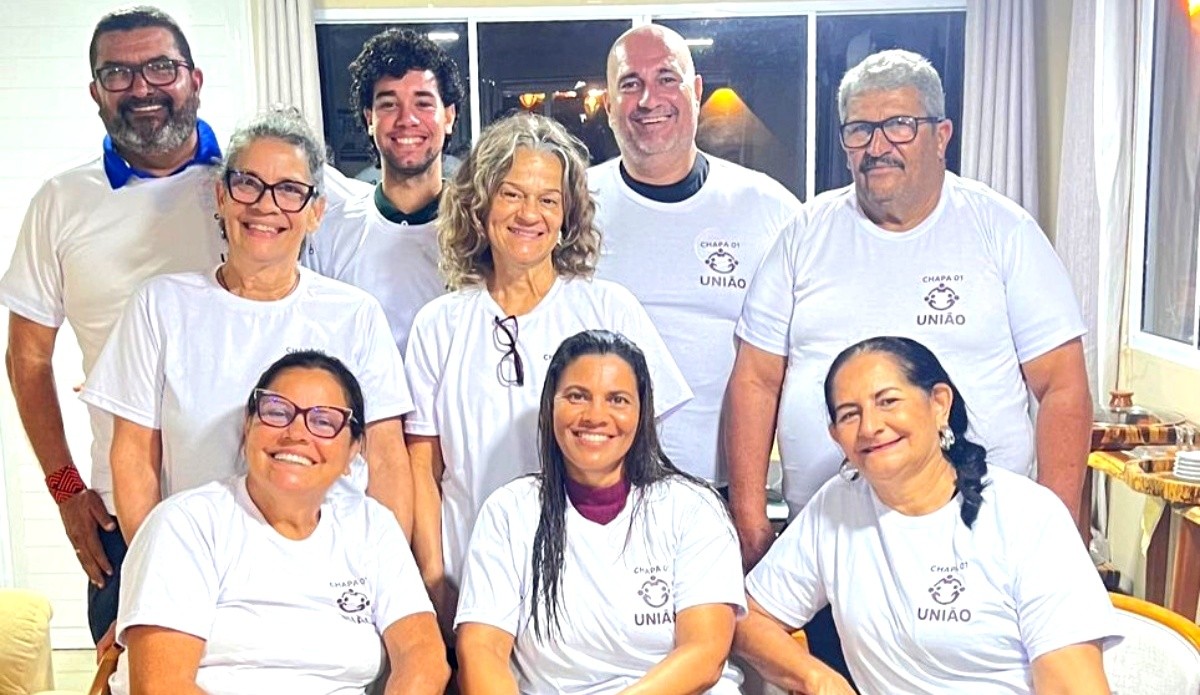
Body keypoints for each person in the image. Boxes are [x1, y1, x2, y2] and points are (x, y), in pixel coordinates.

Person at [728, 48, 1091, 564]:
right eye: (859, 130)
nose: (877, 146)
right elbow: (755, 381)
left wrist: (1052, 527)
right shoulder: (804, 235)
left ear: (942, 136)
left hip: (982, 537)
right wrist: (749, 517)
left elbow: (1063, 385)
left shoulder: (1002, 231)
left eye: (899, 125)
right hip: (827, 545)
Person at [405, 113, 692, 638]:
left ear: (567, 216)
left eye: (547, 199)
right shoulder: (439, 324)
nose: (528, 214)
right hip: (470, 586)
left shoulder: (609, 309)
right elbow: (423, 467)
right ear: (480, 204)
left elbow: (646, 455)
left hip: (589, 592)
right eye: (512, 194)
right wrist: (434, 581)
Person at [80, 107, 415, 549]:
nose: (265, 204)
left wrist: (389, 582)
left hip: (332, 568)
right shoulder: (160, 306)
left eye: (290, 190)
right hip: (201, 561)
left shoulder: (354, 315)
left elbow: (388, 461)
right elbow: (135, 457)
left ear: (316, 212)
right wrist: (155, 575)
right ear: (221, 196)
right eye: (247, 183)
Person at [0, 6, 225, 644]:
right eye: (118, 74)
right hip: (124, 508)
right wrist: (66, 488)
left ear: (194, 78)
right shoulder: (60, 202)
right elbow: (27, 361)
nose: (142, 88)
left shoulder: (250, 188)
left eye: (160, 67)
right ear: (95, 91)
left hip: (260, 499)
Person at [735, 336, 1118, 695]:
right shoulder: (838, 506)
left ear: (939, 404)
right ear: (836, 436)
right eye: (850, 414)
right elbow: (748, 617)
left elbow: (1074, 685)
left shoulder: (1028, 514)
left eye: (888, 402)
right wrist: (817, 677)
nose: (870, 427)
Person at [110, 351, 449, 695]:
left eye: (323, 421)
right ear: (248, 427)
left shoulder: (371, 526)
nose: (297, 433)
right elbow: (161, 686)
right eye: (277, 413)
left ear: (352, 452)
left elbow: (423, 657)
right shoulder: (187, 524)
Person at [457, 330, 744, 694]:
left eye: (618, 400)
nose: (595, 415)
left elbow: (705, 653)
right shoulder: (509, 511)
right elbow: (482, 649)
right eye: (577, 396)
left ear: (642, 413)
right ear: (550, 406)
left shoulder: (693, 508)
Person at [590, 24, 801, 490]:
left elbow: (798, 359)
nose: (649, 99)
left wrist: (752, 511)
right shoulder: (572, 207)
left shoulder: (769, 209)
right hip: (596, 494)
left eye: (667, 78)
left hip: (724, 491)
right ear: (608, 106)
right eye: (630, 84)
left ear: (696, 91)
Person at [305, 27, 463, 351]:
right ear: (369, 119)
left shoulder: (478, 236)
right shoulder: (332, 231)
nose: (407, 119)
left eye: (423, 103)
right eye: (389, 105)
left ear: (449, 117)